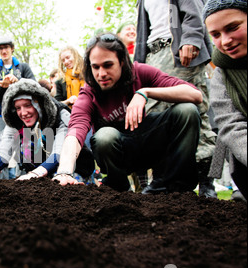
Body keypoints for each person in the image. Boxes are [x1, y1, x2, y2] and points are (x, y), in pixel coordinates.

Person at [53, 33, 202, 194]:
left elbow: (195, 95)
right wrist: (64, 171)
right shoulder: (89, 92)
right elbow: (75, 131)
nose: (101, 74)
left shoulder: (139, 72)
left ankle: (171, 186)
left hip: (149, 143)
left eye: (108, 65)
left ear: (122, 62)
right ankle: (120, 190)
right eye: (96, 67)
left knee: (186, 111)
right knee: (104, 136)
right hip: (119, 153)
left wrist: (145, 92)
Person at [134, 0, 218, 198]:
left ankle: (207, 182)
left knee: (196, 112)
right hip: (152, 55)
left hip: (178, 50)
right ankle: (162, 179)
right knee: (155, 118)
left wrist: (191, 38)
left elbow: (195, 8)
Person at [0, 79, 95, 183]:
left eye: (28, 105)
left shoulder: (60, 115)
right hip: (41, 169)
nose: (23, 113)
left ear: (39, 103)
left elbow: (60, 152)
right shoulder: (16, 121)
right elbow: (3, 150)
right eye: (18, 108)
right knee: (26, 144)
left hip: (74, 167)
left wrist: (34, 175)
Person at [203, 0, 247, 200]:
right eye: (216, 35)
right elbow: (230, 124)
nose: (226, 40)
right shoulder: (221, 74)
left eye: (233, 28)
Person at [0, 35, 36, 129]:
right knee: (1, 142)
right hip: (0, 116)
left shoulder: (24, 67)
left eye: (6, 47)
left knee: (27, 142)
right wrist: (2, 87)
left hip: (24, 115)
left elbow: (34, 86)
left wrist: (18, 82)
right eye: (0, 48)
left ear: (12, 48)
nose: (4, 51)